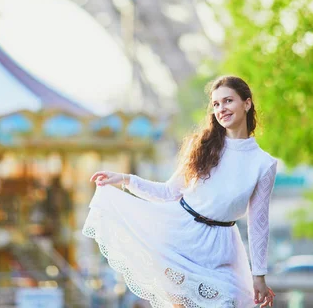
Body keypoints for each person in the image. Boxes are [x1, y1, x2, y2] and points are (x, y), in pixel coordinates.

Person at [82, 76, 277, 307]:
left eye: (228, 101)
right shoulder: (204, 147)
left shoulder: (264, 164)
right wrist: (125, 180)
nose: (221, 109)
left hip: (223, 249)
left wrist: (259, 275)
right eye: (216, 104)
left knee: (229, 302)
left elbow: (258, 224)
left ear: (246, 104)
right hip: (180, 239)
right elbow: (167, 192)